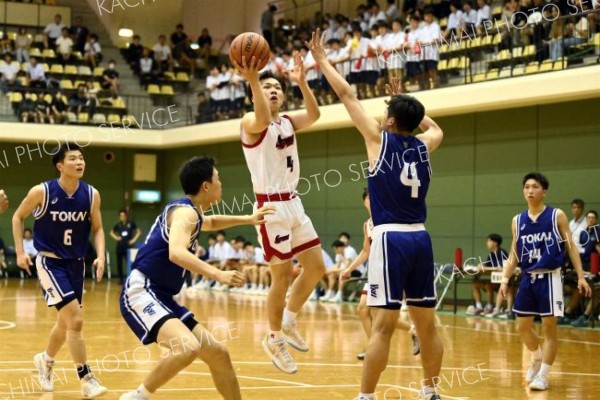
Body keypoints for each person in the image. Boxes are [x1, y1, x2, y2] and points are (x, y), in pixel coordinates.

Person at [307, 29, 444, 400]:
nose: (381, 113)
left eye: (387, 110)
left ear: (389, 121)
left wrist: (321, 61)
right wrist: (408, 105)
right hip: (421, 237)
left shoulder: (377, 139)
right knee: (427, 325)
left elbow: (347, 93)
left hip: (390, 238)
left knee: (382, 326)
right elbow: (435, 127)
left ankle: (366, 396)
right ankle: (430, 393)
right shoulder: (425, 145)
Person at [119, 156, 273, 400]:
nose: (221, 183)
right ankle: (139, 396)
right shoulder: (185, 214)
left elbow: (210, 222)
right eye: (218, 179)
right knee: (187, 347)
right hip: (142, 290)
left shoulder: (192, 214)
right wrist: (217, 273)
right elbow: (177, 252)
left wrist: (248, 219)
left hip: (162, 295)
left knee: (218, 354)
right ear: (206, 186)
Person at [235, 49, 324, 374]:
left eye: (278, 87)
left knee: (315, 268)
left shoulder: (286, 121)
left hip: (294, 202)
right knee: (282, 276)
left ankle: (288, 320)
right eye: (267, 86)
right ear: (257, 92)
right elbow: (260, 118)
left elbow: (314, 115)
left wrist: (302, 82)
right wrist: (254, 79)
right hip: (270, 205)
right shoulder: (249, 121)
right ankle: (273, 339)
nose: (273, 90)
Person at [11, 142, 108, 397]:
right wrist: (21, 252)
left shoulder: (91, 194)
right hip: (50, 262)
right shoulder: (42, 191)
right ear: (60, 165)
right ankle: (86, 379)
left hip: (76, 263)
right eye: (73, 158)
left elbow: (97, 228)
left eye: (82, 158)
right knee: (75, 321)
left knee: (65, 325)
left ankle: (45, 360)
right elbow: (17, 217)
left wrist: (100, 255)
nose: (80, 162)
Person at [499, 172, 591, 391]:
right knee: (522, 326)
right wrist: (504, 278)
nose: (530, 191)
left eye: (535, 187)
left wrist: (580, 276)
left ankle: (543, 375)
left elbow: (571, 247)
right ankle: (536, 357)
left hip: (550, 277)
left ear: (544, 191)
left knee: (549, 328)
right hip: (527, 278)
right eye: (527, 187)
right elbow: (514, 253)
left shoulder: (556, 215)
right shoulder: (517, 220)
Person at [110, 209, 141, 284]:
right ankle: (120, 279)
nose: (122, 217)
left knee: (130, 263)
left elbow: (139, 231)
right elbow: (111, 232)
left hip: (128, 247)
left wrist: (133, 240)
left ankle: (131, 279)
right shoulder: (118, 225)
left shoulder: (131, 224)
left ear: (126, 216)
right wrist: (116, 237)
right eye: (120, 216)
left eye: (123, 215)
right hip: (120, 247)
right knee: (119, 263)